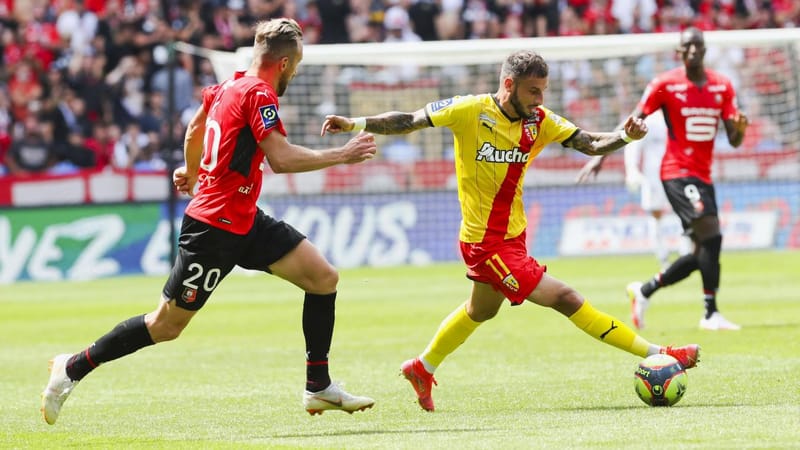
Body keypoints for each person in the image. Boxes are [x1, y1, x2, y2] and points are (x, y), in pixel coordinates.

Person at [320, 49, 700, 412]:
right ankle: (660, 353)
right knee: (566, 298)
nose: (539, 99)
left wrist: (626, 137)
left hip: (513, 236)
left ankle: (422, 368)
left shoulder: (540, 122)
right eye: (533, 91)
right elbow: (410, 119)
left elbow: (589, 143)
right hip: (485, 244)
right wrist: (355, 124)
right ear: (508, 84)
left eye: (543, 91)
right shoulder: (469, 110)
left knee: (480, 311)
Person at [40, 18, 377, 425]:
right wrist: (343, 154)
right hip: (214, 228)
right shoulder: (259, 93)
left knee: (323, 278)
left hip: (244, 218)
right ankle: (71, 367)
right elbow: (281, 158)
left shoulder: (228, 86)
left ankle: (318, 386)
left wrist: (196, 169)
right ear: (285, 63)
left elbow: (195, 128)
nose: (296, 72)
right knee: (165, 325)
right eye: (297, 65)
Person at [578, 27, 748, 331]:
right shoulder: (665, 84)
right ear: (679, 53)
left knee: (700, 254)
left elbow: (734, 139)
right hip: (676, 173)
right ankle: (711, 313)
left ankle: (643, 292)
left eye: (698, 45)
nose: (694, 50)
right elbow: (635, 119)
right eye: (688, 46)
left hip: (703, 174)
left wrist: (740, 129)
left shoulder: (723, 86)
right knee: (713, 235)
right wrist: (601, 154)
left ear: (705, 50)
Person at [623, 109, 693, 270]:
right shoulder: (649, 121)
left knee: (683, 212)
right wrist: (631, 169)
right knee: (656, 215)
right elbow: (633, 145)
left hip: (678, 174)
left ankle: (685, 254)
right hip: (653, 177)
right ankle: (663, 257)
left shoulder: (680, 118)